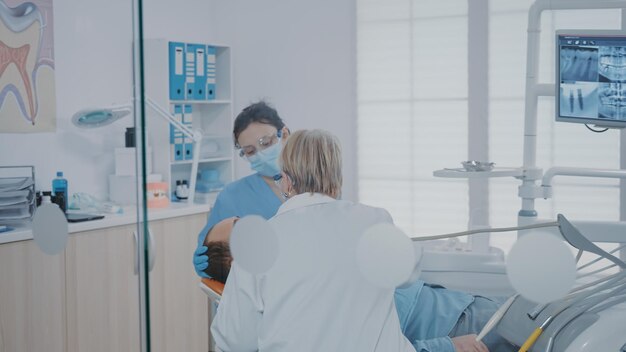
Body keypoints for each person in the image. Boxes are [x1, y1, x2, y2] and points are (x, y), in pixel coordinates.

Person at [209, 130, 514, 352]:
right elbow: (407, 272)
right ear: (337, 178)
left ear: (286, 181)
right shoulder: (374, 220)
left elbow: (233, 341)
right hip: (446, 316)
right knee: (532, 318)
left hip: (433, 313)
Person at [193, 101, 289, 278]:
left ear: (284, 134)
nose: (260, 153)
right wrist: (206, 264)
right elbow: (212, 252)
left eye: (266, 143)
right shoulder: (232, 196)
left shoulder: (316, 184)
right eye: (250, 151)